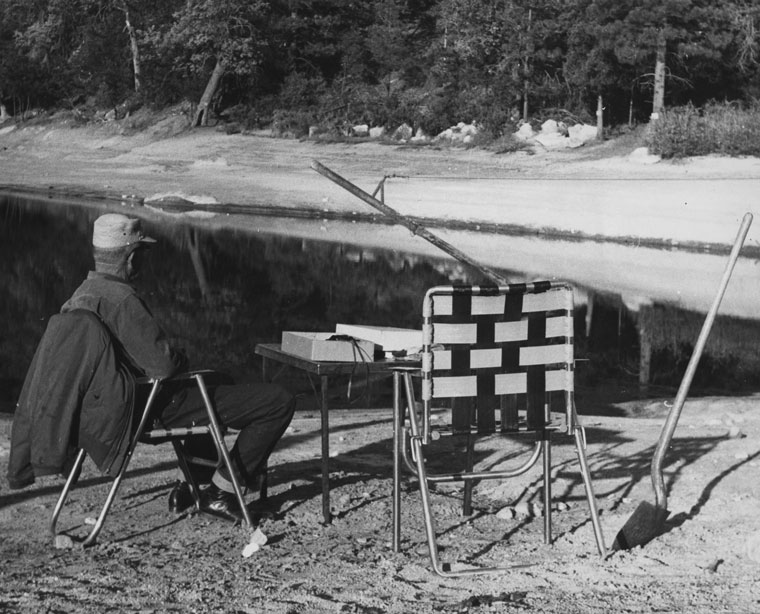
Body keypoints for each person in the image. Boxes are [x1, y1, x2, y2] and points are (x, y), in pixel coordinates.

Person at [7, 213, 296, 522]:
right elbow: (164, 366)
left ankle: (194, 486)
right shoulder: (121, 299)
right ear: (131, 257)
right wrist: (179, 357)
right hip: (145, 409)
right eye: (142, 252)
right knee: (278, 402)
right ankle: (221, 492)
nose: (143, 260)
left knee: (218, 380)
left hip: (102, 407)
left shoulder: (81, 295)